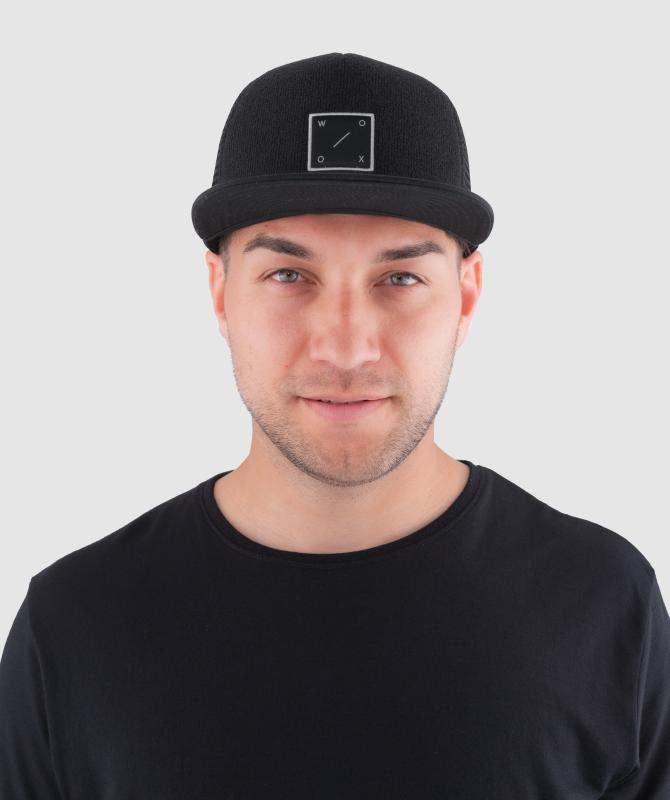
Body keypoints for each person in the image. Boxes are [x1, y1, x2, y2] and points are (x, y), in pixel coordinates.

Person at [1, 52, 668, 799]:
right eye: (289, 275)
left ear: (467, 294)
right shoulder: (75, 624)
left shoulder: (602, 603)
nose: (346, 349)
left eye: (400, 278)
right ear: (221, 292)